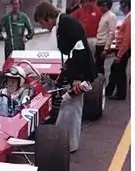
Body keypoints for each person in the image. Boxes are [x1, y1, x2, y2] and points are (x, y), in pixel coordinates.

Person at [34, 0, 96, 153]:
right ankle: (65, 142)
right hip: (77, 69)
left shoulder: (67, 23)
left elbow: (79, 50)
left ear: (47, 17)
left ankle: (67, 144)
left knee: (71, 107)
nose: (42, 27)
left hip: (79, 73)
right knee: (69, 107)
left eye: (41, 23)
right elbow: (74, 50)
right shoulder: (64, 23)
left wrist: (77, 77)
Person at [106, 0, 131, 100]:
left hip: (123, 49)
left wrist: (119, 55)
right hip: (121, 48)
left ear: (127, 6)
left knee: (119, 71)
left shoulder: (129, 19)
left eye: (122, 6)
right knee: (116, 70)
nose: (120, 8)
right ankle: (110, 91)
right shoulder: (128, 17)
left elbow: (127, 39)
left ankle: (119, 94)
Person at [95, 0, 117, 75]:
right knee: (98, 66)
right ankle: (99, 84)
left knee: (101, 67)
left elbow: (111, 33)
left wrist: (106, 48)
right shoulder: (103, 15)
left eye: (101, 6)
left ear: (105, 6)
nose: (100, 8)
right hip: (99, 43)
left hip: (103, 44)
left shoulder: (111, 16)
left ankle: (102, 84)